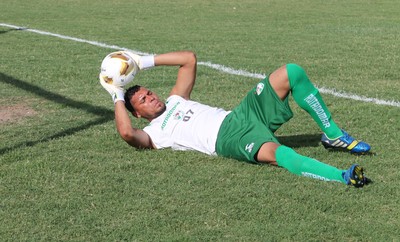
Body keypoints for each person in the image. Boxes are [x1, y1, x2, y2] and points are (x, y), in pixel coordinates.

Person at [99, 50, 371, 188]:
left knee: (291, 72)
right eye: (144, 101)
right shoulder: (155, 133)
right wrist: (117, 94)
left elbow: (189, 60)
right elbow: (126, 133)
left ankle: (333, 134)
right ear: (137, 113)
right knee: (280, 153)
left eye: (149, 92)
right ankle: (342, 178)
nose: (152, 98)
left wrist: (140, 61)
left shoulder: (175, 100)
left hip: (242, 114)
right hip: (230, 139)